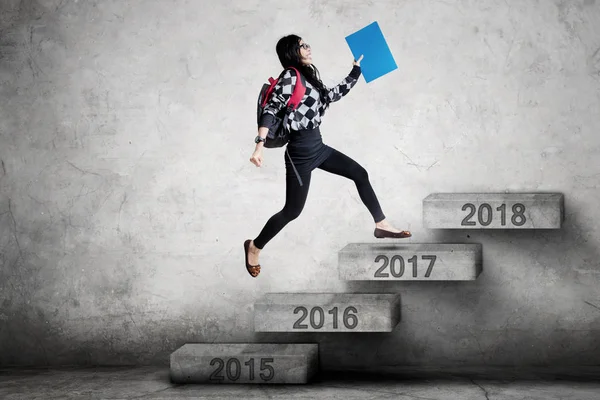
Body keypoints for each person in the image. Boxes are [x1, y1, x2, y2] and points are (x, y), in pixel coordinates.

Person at [244, 34, 411, 278]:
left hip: (318, 147)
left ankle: (381, 224)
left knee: (359, 174)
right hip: (299, 153)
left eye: (307, 43)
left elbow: (332, 95)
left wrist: (356, 70)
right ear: (292, 51)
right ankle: (254, 247)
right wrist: (259, 144)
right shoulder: (291, 76)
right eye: (302, 45)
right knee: (292, 211)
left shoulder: (310, 76)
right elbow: (271, 109)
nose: (308, 47)